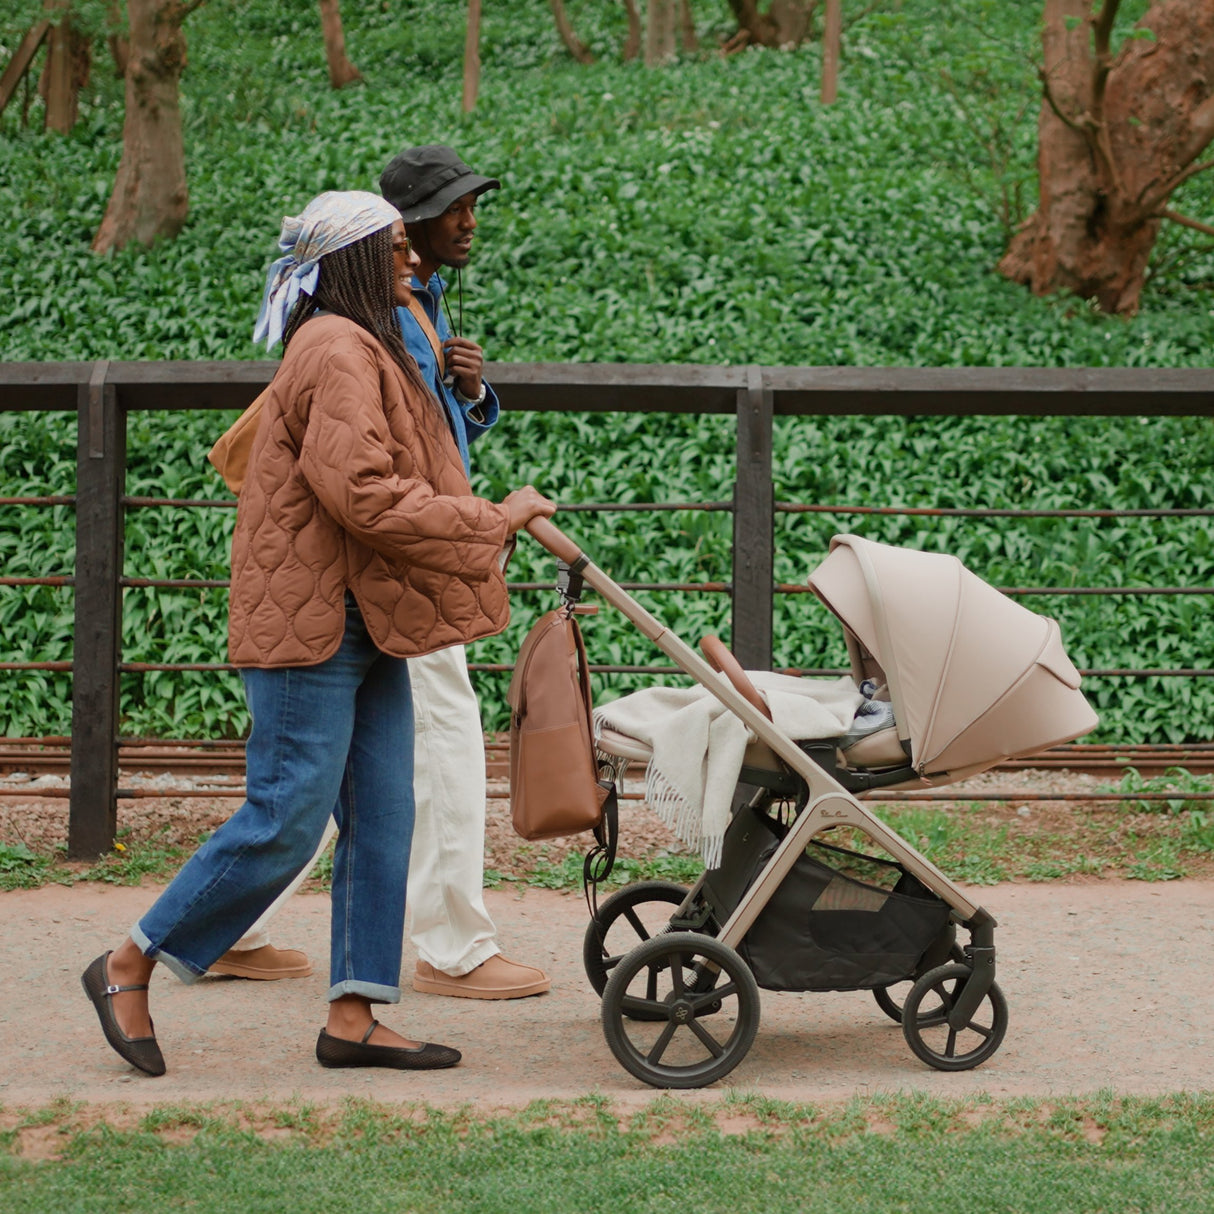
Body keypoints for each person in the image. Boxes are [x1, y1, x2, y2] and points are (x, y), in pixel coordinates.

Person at [81, 190, 556, 1076]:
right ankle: (128, 960)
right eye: (396, 246)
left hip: (365, 615)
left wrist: (472, 402)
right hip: (314, 620)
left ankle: (355, 1014)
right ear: (356, 262)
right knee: (289, 813)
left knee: (381, 816)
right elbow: (364, 494)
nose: (412, 256)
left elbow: (410, 460)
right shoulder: (336, 346)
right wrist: (493, 521)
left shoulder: (371, 340)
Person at [212, 146, 551, 1002]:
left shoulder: (413, 305)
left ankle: (232, 927)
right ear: (396, 232)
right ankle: (456, 947)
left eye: (473, 204)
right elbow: (375, 468)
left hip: (403, 553)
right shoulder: (377, 315)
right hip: (397, 562)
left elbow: (427, 436)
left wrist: (471, 395)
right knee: (437, 744)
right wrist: (478, 525)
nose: (467, 220)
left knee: (332, 772)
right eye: (449, 210)